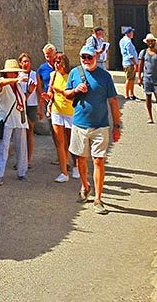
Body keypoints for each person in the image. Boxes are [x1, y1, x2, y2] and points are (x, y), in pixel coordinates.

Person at [62, 42, 121, 214]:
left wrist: (116, 126)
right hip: (79, 125)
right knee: (80, 159)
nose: (86, 60)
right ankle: (85, 186)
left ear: (96, 58)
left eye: (90, 57)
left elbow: (113, 101)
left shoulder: (105, 77)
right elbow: (66, 94)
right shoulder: (75, 73)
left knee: (98, 160)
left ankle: (98, 198)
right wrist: (74, 90)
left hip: (100, 126)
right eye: (83, 57)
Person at [0, 58, 29, 185]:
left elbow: (22, 101)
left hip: (19, 119)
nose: (15, 74)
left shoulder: (18, 86)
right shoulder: (3, 83)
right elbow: (0, 83)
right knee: (4, 147)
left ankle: (22, 172)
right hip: (7, 120)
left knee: (22, 147)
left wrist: (29, 90)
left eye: (16, 72)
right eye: (12, 72)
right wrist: (17, 79)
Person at [45, 52, 75, 182]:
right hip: (57, 110)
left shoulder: (72, 76)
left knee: (71, 141)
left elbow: (74, 94)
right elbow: (50, 92)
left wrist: (62, 92)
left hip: (70, 112)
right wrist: (48, 98)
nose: (56, 65)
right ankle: (64, 172)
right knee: (60, 142)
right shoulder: (54, 75)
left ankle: (77, 167)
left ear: (64, 64)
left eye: (59, 62)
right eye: (55, 62)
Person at [17, 52, 40, 169]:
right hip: (20, 105)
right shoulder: (17, 75)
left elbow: (39, 92)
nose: (26, 64)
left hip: (31, 105)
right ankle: (20, 159)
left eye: (28, 61)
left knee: (30, 130)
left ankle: (28, 159)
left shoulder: (34, 75)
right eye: (24, 61)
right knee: (20, 133)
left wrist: (41, 109)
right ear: (20, 63)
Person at [37, 44, 59, 165]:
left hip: (61, 102)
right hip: (48, 103)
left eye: (51, 56)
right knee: (54, 130)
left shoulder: (60, 66)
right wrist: (41, 107)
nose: (49, 58)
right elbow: (40, 88)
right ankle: (60, 155)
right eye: (46, 56)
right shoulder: (42, 69)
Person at [139, 33, 157, 122]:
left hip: (156, 78)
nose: (150, 43)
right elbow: (140, 66)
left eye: (152, 41)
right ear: (147, 42)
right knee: (148, 97)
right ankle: (150, 116)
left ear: (154, 42)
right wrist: (139, 77)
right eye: (149, 41)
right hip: (147, 77)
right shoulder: (143, 53)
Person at [119, 26, 139, 99]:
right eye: (132, 32)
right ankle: (128, 94)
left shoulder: (122, 40)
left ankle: (131, 94)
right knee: (130, 79)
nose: (133, 34)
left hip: (126, 62)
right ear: (129, 33)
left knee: (131, 79)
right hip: (129, 63)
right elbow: (130, 54)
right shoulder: (128, 42)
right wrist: (135, 63)